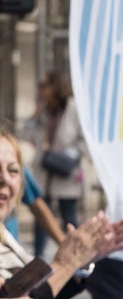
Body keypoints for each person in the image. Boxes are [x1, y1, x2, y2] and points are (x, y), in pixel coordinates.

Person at [1, 130, 123, 299]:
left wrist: (82, 260)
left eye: (13, 170)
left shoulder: (5, 236)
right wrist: (66, 262)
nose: (5, 180)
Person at [19, 71, 87, 260]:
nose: (41, 89)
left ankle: (76, 256)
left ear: (55, 86)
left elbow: (84, 140)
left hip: (66, 173)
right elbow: (22, 134)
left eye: (44, 85)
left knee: (69, 217)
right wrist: (34, 116)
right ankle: (38, 258)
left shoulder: (73, 109)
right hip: (45, 173)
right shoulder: (44, 111)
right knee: (41, 217)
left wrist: (68, 155)